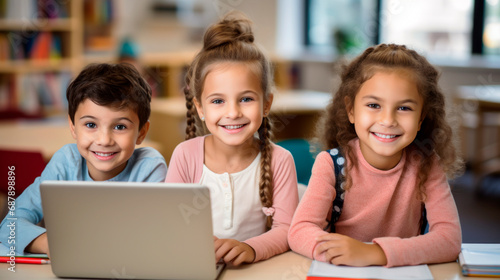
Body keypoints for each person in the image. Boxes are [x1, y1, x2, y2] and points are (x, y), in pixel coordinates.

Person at [288, 44, 464, 267]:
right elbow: (300, 231)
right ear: (351, 110)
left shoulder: (428, 166)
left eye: (404, 108)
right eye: (373, 105)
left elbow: (449, 240)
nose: (388, 120)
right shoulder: (330, 164)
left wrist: (374, 254)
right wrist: (340, 254)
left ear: (421, 117)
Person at [165, 13, 299, 266]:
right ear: (200, 108)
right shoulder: (185, 155)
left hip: (258, 270)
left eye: (246, 99)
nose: (233, 113)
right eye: (218, 101)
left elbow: (287, 229)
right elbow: (171, 221)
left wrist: (250, 248)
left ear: (266, 103)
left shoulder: (280, 160)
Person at [0, 63, 167, 255]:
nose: (104, 140)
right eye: (90, 124)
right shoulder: (66, 162)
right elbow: (9, 225)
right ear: (73, 127)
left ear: (141, 132)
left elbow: (156, 237)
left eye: (120, 127)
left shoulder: (149, 168)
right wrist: (51, 244)